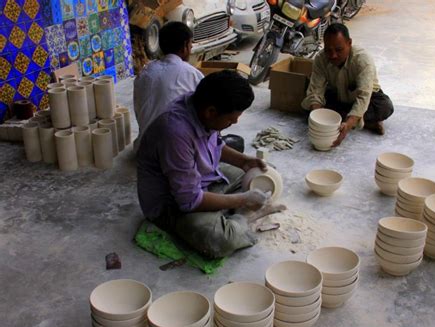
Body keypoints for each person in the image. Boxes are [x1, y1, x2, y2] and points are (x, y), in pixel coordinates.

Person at [137, 70, 279, 259]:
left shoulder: (200, 106)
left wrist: (244, 161)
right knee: (217, 239)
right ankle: (242, 218)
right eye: (230, 119)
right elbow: (189, 200)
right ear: (211, 112)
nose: (234, 122)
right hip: (172, 205)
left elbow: (215, 145)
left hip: (201, 178)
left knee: (261, 173)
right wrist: (244, 199)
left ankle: (231, 212)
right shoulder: (174, 132)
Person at [301, 23, 394, 147]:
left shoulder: (362, 59)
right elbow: (316, 90)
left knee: (385, 106)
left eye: (339, 50)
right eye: (328, 50)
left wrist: (349, 123)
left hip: (367, 98)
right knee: (309, 109)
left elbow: (363, 96)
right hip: (338, 95)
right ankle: (366, 123)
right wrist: (318, 118)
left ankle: (353, 121)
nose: (333, 55)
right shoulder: (321, 59)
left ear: (349, 43)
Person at [133, 21, 204, 152]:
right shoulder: (192, 74)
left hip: (143, 149)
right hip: (174, 153)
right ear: (184, 47)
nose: (191, 48)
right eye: (190, 44)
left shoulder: (144, 73)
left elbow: (139, 112)